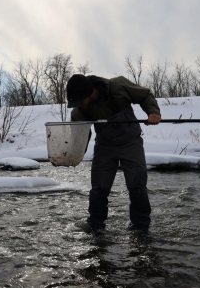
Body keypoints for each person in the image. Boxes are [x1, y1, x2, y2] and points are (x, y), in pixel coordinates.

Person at [66, 73, 161, 234]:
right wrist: (73, 153)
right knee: (98, 189)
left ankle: (140, 228)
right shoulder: (79, 112)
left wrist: (153, 112)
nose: (79, 106)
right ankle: (95, 226)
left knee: (137, 186)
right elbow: (80, 137)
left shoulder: (118, 86)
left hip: (131, 143)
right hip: (104, 147)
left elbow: (145, 95)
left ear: (89, 93)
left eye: (80, 101)